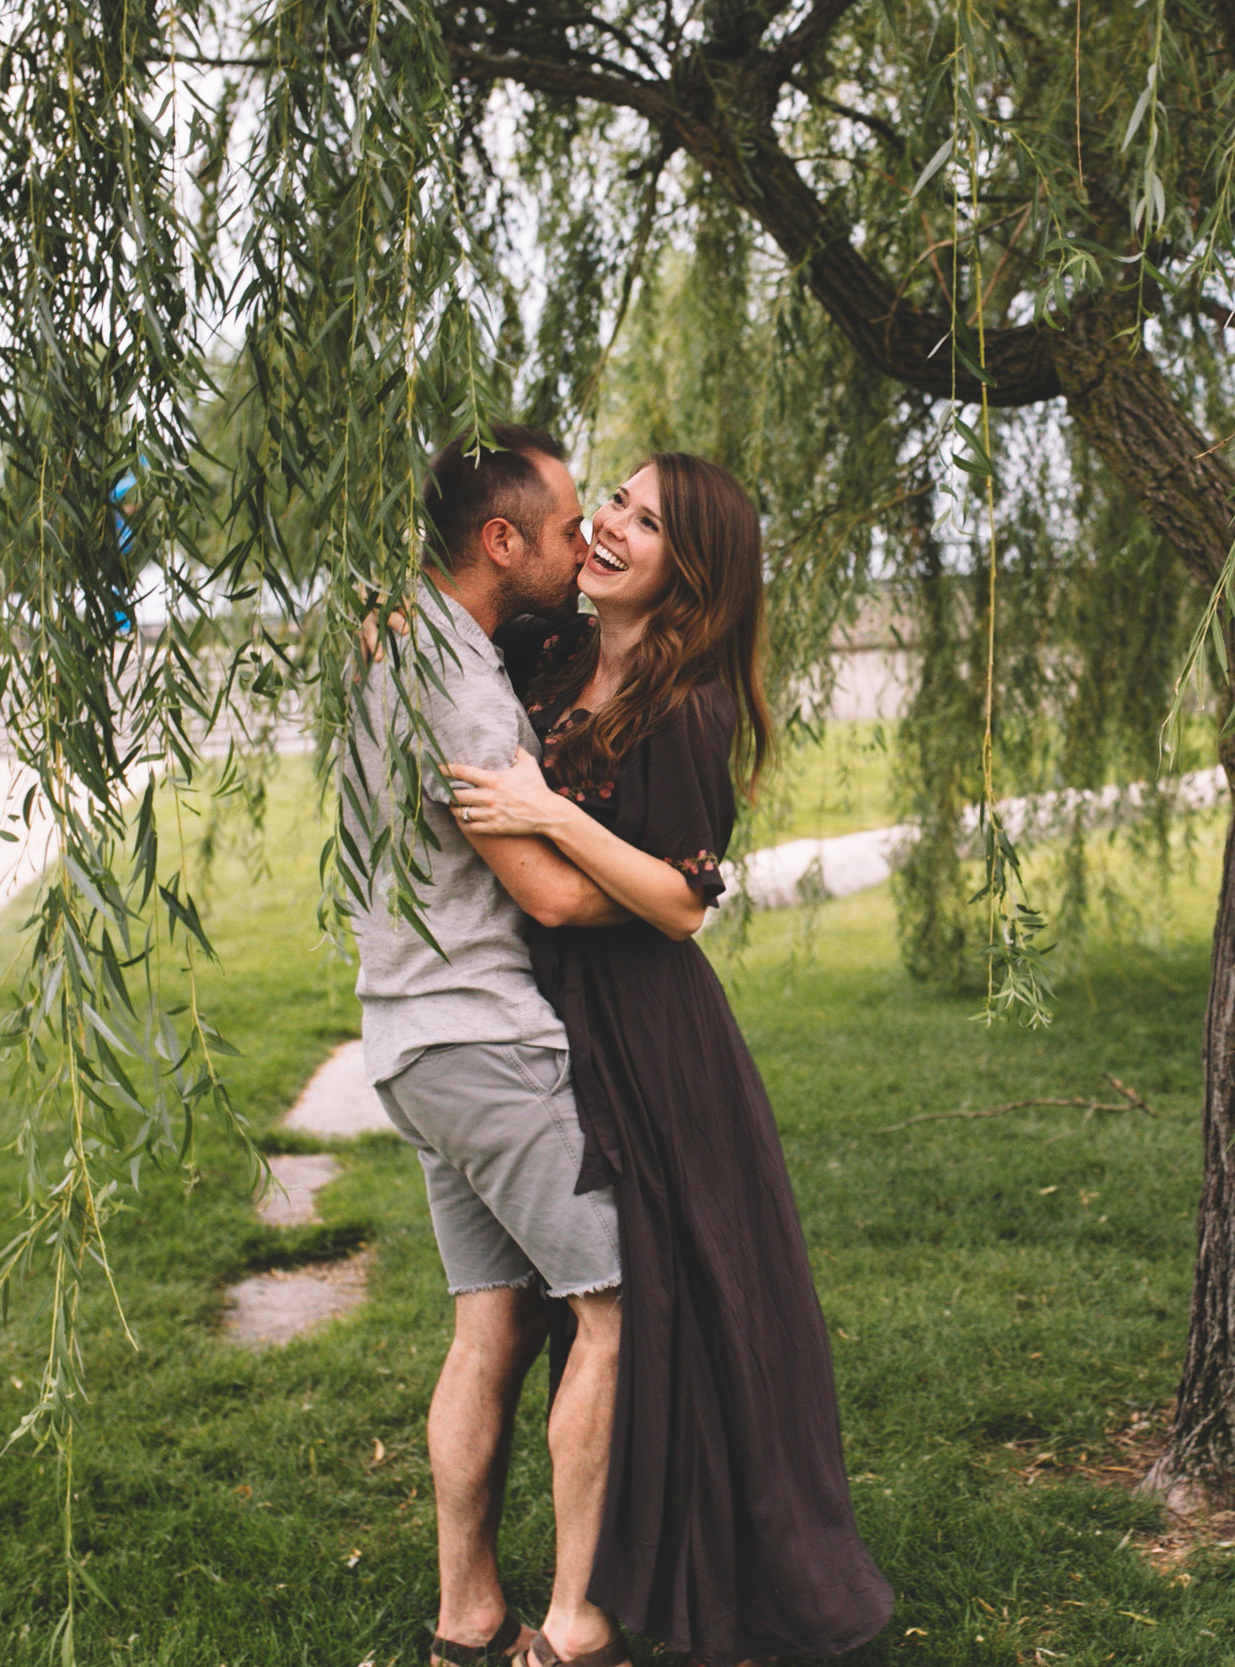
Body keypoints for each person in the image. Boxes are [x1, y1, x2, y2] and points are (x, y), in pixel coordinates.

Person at [444, 452, 894, 1667]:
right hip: (542, 1008)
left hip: (646, 1029)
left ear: (688, 567)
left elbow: (684, 901)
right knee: (549, 1310)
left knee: (661, 1301)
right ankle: (523, 1594)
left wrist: (551, 813)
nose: (607, 527)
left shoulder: (686, 702)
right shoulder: (549, 653)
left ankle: (636, 1591)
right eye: (613, 503)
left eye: (644, 521)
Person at [344, 425, 633, 1667]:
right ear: (500, 540)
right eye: (569, 524)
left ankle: (466, 1614)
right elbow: (555, 895)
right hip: (484, 1039)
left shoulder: (398, 639)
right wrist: (682, 888)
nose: (586, 544)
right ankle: (574, 1622)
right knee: (614, 1308)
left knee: (492, 1323)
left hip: (405, 1035)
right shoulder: (458, 684)